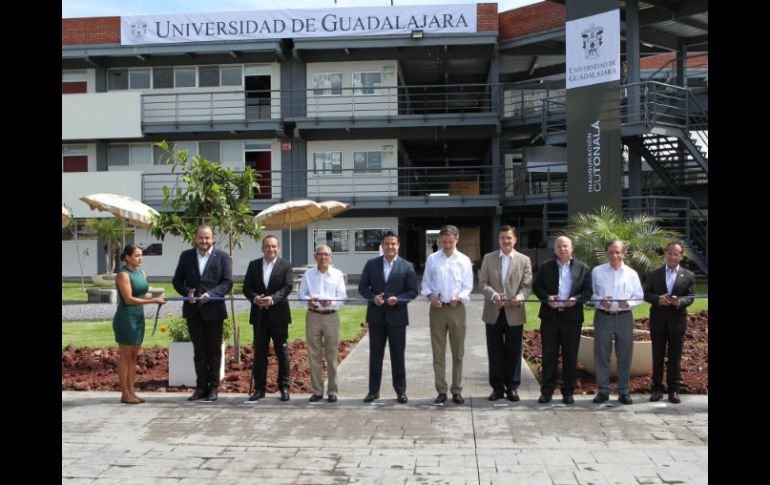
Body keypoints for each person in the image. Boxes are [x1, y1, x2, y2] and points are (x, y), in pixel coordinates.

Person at [172, 225, 233, 402]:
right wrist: (187, 292)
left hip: (214, 311)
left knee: (214, 351)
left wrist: (212, 295)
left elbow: (228, 282)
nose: (204, 241)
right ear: (195, 238)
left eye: (207, 238)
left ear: (213, 238)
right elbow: (177, 281)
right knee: (199, 351)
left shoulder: (222, 257)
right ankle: (200, 387)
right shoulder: (186, 256)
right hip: (193, 312)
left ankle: (213, 387)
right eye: (201, 238)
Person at [358, 231, 418, 404]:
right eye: (387, 244)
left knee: (397, 356)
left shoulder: (407, 266)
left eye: (393, 244)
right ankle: (373, 391)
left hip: (397, 317)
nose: (390, 247)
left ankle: (400, 391)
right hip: (376, 317)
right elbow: (363, 287)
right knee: (375, 356)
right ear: (382, 246)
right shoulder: (371, 264)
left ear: (398, 245)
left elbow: (413, 291)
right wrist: (372, 298)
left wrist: (398, 300)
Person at [532, 236, 592, 404]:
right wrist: (547, 298)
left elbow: (588, 291)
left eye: (565, 246)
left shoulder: (583, 268)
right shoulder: (546, 267)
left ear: (572, 248)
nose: (562, 249)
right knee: (549, 355)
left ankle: (568, 392)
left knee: (570, 356)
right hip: (550, 317)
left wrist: (576, 299)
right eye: (559, 246)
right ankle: (547, 392)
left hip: (571, 319)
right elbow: (537, 287)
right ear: (554, 250)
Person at [478, 225, 532, 403]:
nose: (506, 241)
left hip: (514, 312)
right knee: (495, 353)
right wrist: (493, 295)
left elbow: (527, 286)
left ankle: (512, 388)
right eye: (502, 238)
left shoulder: (524, 260)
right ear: (499, 240)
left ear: (515, 239)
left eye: (509, 238)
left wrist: (519, 297)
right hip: (493, 312)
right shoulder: (488, 258)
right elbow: (482, 283)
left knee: (513, 352)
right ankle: (497, 388)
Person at [421, 224, 474, 405]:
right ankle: (441, 391)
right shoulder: (432, 259)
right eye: (444, 242)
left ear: (457, 239)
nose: (448, 245)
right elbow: (426, 283)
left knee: (458, 353)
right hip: (437, 310)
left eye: (451, 242)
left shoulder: (465, 260)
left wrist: (460, 297)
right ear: (440, 241)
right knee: (438, 353)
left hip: (457, 310)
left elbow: (468, 286)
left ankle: (457, 390)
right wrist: (430, 296)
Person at [590, 240, 644, 405]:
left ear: (624, 254)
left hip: (624, 317)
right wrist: (600, 301)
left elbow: (639, 296)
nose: (614, 255)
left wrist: (628, 303)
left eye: (618, 252)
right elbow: (590, 294)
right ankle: (603, 391)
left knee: (625, 356)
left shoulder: (631, 273)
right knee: (601, 355)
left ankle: (623, 392)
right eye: (611, 252)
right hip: (603, 316)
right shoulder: (597, 272)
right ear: (606, 253)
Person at [643, 241, 696, 404]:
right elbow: (646, 294)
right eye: (669, 253)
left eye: (676, 254)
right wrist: (658, 300)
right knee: (657, 356)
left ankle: (674, 390)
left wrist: (678, 302)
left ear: (681, 257)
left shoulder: (688, 275)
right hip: (658, 321)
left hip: (677, 322)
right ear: (665, 254)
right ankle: (657, 389)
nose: (672, 256)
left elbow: (690, 297)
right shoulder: (654, 273)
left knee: (675, 358)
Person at [112, 244, 165, 404]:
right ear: (127, 257)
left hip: (139, 317)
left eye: (141, 255)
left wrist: (157, 299)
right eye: (136, 255)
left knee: (134, 357)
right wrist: (153, 301)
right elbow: (128, 299)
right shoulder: (123, 275)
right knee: (125, 357)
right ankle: (125, 393)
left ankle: (131, 392)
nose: (140, 258)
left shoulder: (141, 272)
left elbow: (142, 294)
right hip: (126, 318)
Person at [243, 235, 294, 402]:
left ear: (278, 248)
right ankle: (259, 389)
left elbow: (287, 287)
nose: (270, 249)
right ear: (262, 248)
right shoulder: (254, 265)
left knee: (282, 352)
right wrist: (255, 298)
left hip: (279, 315)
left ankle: (284, 388)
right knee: (260, 353)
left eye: (273, 246)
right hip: (259, 316)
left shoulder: (285, 265)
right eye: (267, 246)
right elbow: (246, 287)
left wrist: (271, 299)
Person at [299, 244, 347, 402]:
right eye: (320, 254)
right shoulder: (308, 275)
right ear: (315, 257)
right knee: (314, 354)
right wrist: (309, 300)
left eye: (326, 255)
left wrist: (331, 303)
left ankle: (332, 391)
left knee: (332, 354)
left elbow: (342, 296)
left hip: (331, 316)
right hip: (313, 316)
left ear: (331, 257)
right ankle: (318, 391)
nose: (323, 257)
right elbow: (302, 294)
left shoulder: (337, 274)